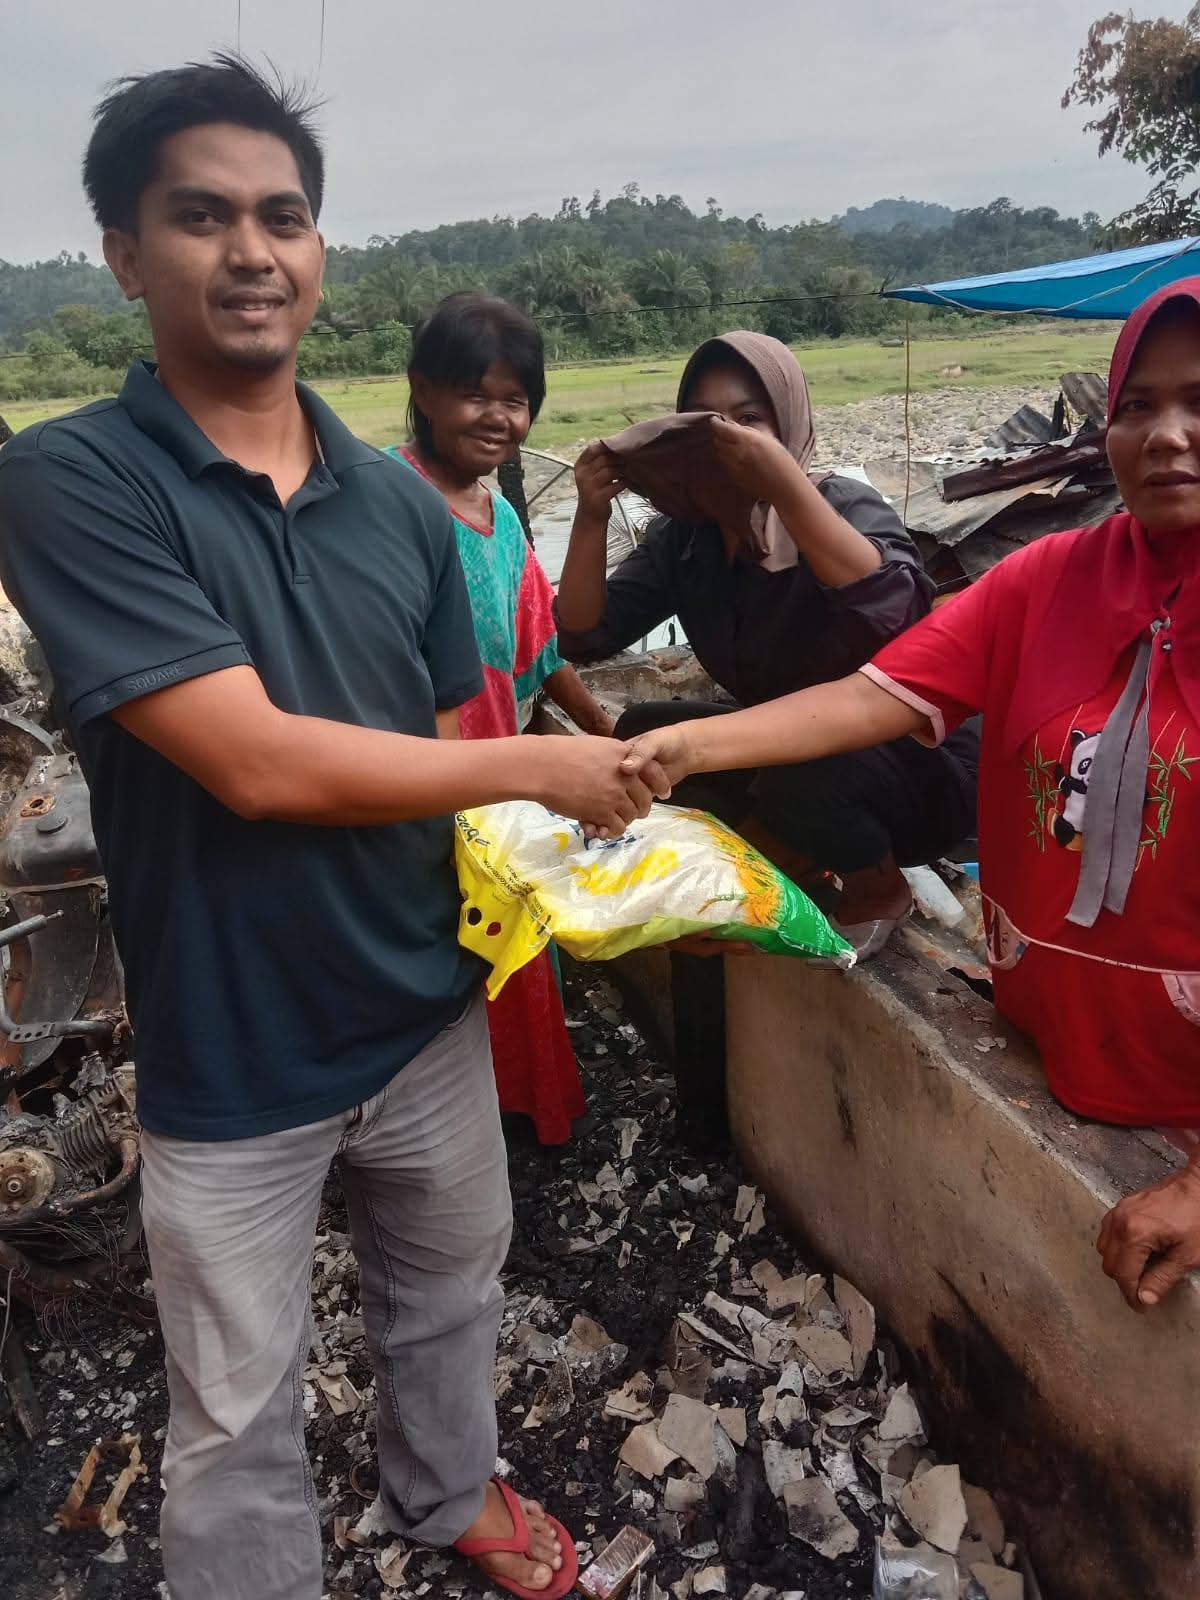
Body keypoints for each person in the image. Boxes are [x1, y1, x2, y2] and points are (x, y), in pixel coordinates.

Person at [0, 58, 665, 1600]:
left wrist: (599, 862)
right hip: (235, 1049)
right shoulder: (70, 480)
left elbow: (434, 752)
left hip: (424, 1010)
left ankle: (447, 1491)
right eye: (202, 216)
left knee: (449, 1295)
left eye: (283, 217)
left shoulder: (400, 507)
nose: (252, 250)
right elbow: (256, 765)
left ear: (319, 250)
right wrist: (540, 770)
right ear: (124, 255)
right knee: (234, 1410)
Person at [623, 281, 1200, 1314]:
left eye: (1199, 402)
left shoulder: (839, 511)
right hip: (1048, 1034)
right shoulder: (1047, 579)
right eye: (1137, 405)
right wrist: (676, 746)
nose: (1166, 435)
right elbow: (869, 697)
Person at [556, 330, 978, 1146]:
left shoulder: (837, 505)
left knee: (795, 771)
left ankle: (874, 884)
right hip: (798, 751)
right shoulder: (688, 539)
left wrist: (784, 484)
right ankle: (766, 860)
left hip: (915, 764)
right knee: (645, 728)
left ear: (787, 426)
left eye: (748, 421)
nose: (727, 441)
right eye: (704, 423)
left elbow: (894, 616)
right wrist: (591, 512)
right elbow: (583, 632)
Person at [387, 291, 613, 1144]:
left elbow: (540, 653)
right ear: (424, 390)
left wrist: (608, 733)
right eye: (474, 394)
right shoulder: (387, 501)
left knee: (513, 940)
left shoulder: (502, 514)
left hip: (503, 780)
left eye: (515, 400)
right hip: (421, 781)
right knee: (446, 957)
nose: (498, 418)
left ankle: (515, 1116)